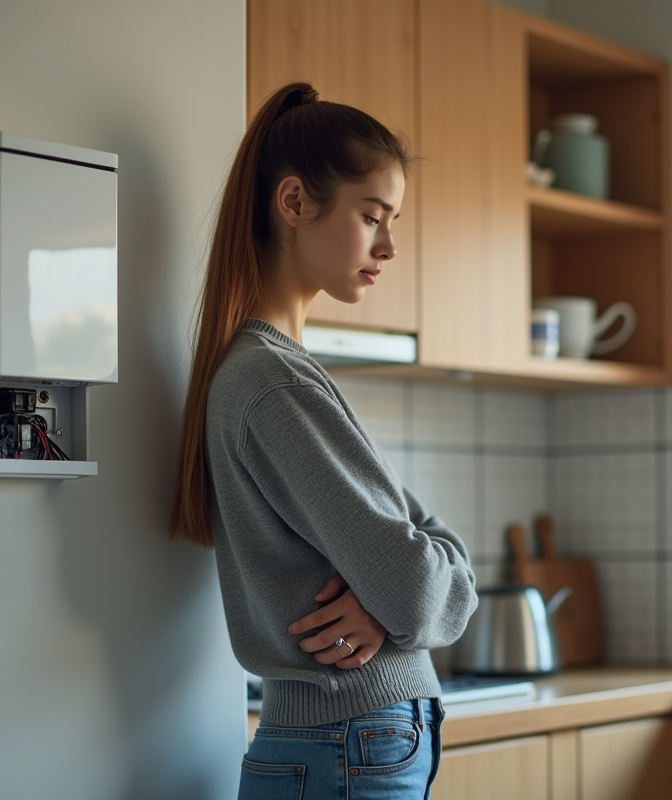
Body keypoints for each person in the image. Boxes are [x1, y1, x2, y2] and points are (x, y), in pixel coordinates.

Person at [168, 82, 478, 800]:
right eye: (372, 216)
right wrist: (402, 596)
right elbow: (417, 580)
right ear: (294, 203)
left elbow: (422, 554)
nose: (390, 245)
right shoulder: (275, 385)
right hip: (350, 736)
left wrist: (398, 597)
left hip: (345, 739)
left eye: (393, 219)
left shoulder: (281, 374)